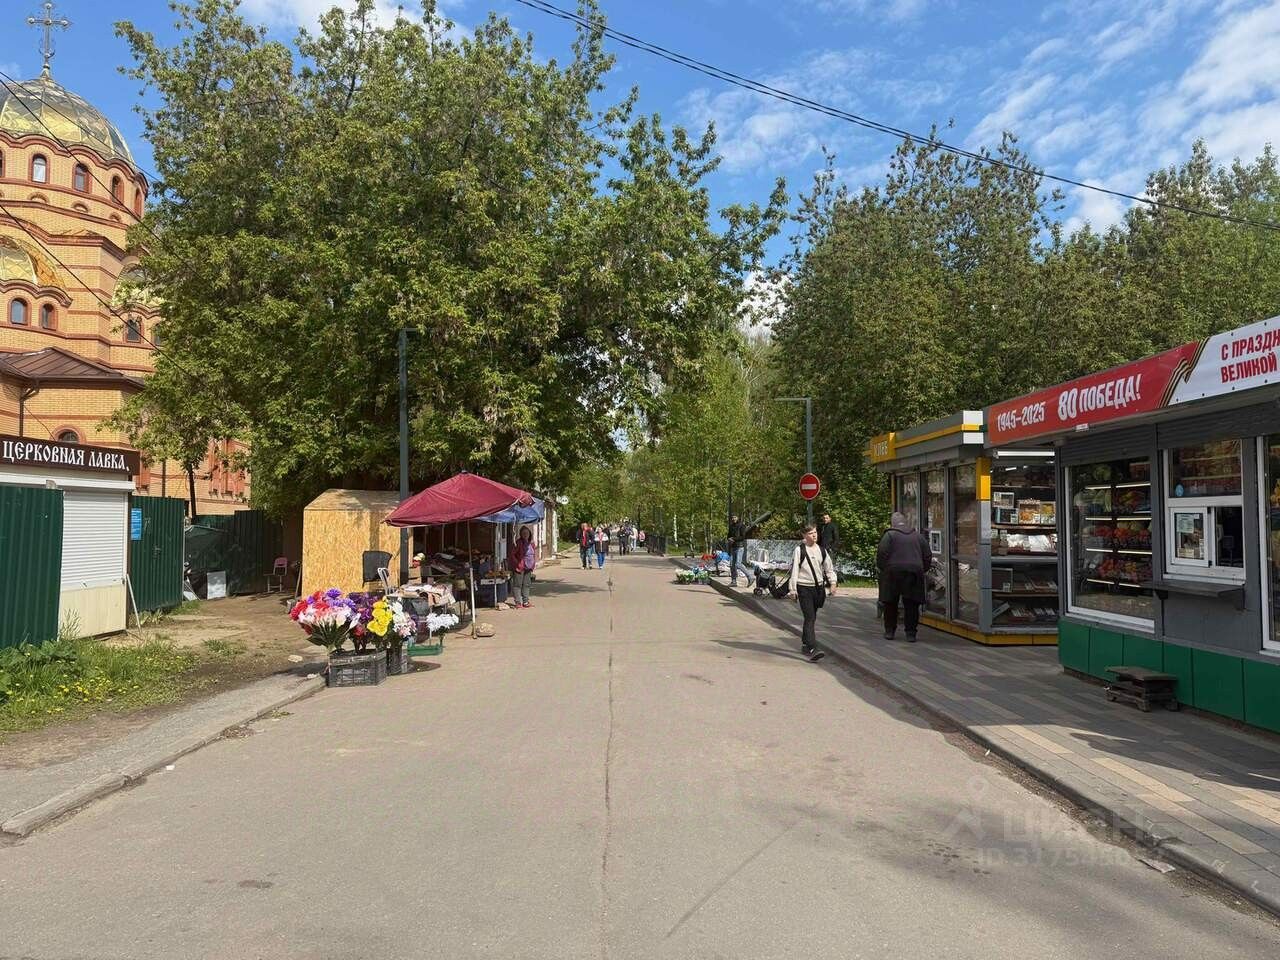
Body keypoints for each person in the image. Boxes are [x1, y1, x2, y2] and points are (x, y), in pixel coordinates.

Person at [877, 511, 932, 642]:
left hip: (892, 571)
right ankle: (911, 633)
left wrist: (884, 569)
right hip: (914, 571)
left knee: (890, 602)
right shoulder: (918, 536)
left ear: (892, 523)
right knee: (912, 604)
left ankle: (890, 631)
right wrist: (922, 569)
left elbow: (881, 554)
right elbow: (927, 555)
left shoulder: (889, 535)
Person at [787, 523, 836, 662]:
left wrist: (833, 583)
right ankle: (813, 648)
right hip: (803, 588)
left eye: (815, 532)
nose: (814, 535)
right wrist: (793, 590)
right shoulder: (799, 550)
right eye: (810, 533)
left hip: (818, 589)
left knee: (811, 617)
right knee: (810, 617)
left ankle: (805, 643)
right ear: (804, 535)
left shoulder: (822, 550)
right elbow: (795, 570)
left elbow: (829, 568)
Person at [509, 526, 536, 608]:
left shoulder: (531, 543)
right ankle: (518, 602)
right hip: (520, 567)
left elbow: (533, 554)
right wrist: (517, 563)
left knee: (526, 584)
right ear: (521, 534)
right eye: (524, 533)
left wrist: (533, 563)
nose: (525, 535)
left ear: (530, 534)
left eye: (527, 533)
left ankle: (526, 602)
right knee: (518, 585)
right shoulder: (518, 543)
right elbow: (512, 554)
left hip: (529, 567)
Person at [727, 514, 747, 586]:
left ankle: (750, 577)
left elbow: (743, 537)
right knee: (732, 565)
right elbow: (728, 536)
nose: (733, 519)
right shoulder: (731, 526)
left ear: (738, 517)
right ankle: (733, 581)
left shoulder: (742, 526)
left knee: (738, 564)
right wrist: (729, 539)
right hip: (733, 547)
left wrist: (733, 539)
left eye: (735, 517)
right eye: (732, 517)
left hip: (739, 547)